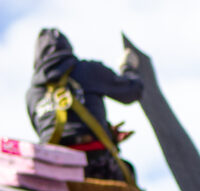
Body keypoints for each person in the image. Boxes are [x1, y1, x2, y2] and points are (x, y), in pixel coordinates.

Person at [26, 28, 143, 181]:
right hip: (95, 163)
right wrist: (128, 67)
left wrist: (108, 133)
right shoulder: (87, 70)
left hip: (52, 168)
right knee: (128, 171)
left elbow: (48, 129)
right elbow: (131, 90)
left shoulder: (32, 93)